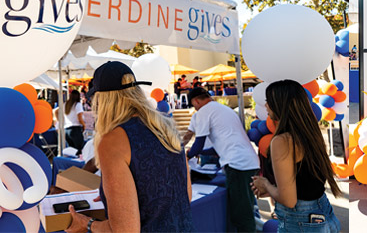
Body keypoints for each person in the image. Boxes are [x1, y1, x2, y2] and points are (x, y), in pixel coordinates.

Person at [66, 61, 194, 232]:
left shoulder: (113, 141)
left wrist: (86, 224)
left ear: (102, 100)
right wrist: (113, 196)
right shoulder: (166, 128)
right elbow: (184, 196)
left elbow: (125, 230)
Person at [250, 80, 342, 232]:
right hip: (324, 215)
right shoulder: (310, 132)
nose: (265, 105)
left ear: (280, 105)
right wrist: (272, 189)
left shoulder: (282, 141)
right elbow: (305, 183)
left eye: (268, 101)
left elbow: (289, 200)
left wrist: (265, 184)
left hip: (300, 222)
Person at [184, 87, 259, 232]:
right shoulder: (223, 109)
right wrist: (200, 153)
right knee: (246, 208)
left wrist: (185, 157)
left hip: (238, 165)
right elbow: (219, 145)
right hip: (248, 162)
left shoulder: (204, 111)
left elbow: (198, 143)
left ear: (196, 101)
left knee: (241, 214)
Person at [63, 90, 86, 156]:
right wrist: (84, 125)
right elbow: (79, 117)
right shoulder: (77, 104)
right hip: (75, 129)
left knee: (72, 151)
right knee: (79, 151)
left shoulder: (65, 104)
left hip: (66, 129)